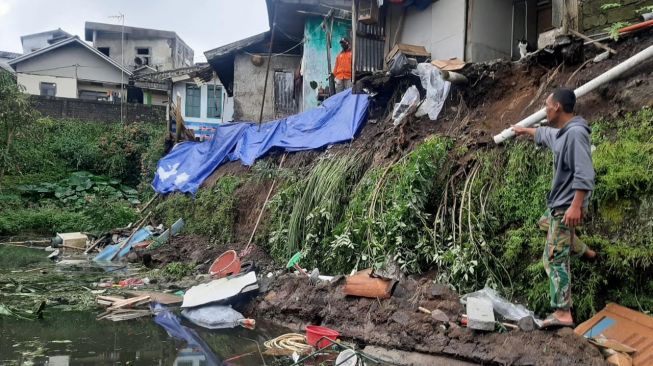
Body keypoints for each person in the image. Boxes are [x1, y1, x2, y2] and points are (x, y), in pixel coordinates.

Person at [512, 88, 597, 328]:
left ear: (557, 107)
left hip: (567, 207)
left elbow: (585, 172)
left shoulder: (576, 134)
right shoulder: (563, 133)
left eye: (547, 105)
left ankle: (563, 313)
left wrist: (576, 207)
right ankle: (582, 250)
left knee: (553, 259)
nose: (545, 109)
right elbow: (546, 134)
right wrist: (525, 130)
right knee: (544, 223)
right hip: (558, 206)